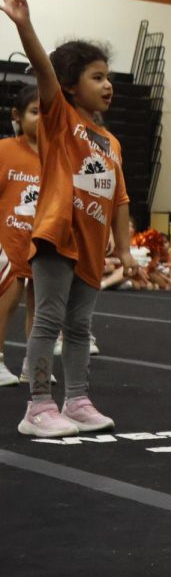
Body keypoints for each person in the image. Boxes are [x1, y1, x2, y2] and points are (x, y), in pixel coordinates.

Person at [2, 0, 140, 438]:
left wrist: (125, 250)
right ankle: (38, 405)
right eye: (97, 77)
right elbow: (42, 68)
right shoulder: (60, 118)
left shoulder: (111, 142)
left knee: (80, 325)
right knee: (49, 319)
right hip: (57, 233)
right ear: (69, 87)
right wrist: (25, 26)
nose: (108, 85)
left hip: (91, 244)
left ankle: (77, 398)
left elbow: (118, 198)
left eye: (109, 77)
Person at [0, 84, 41, 386]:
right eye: (35, 112)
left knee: (40, 306)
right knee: (7, 302)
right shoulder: (5, 150)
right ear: (18, 115)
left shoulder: (57, 156)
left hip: (41, 243)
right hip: (8, 241)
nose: (42, 119)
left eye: (47, 113)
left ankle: (34, 363)